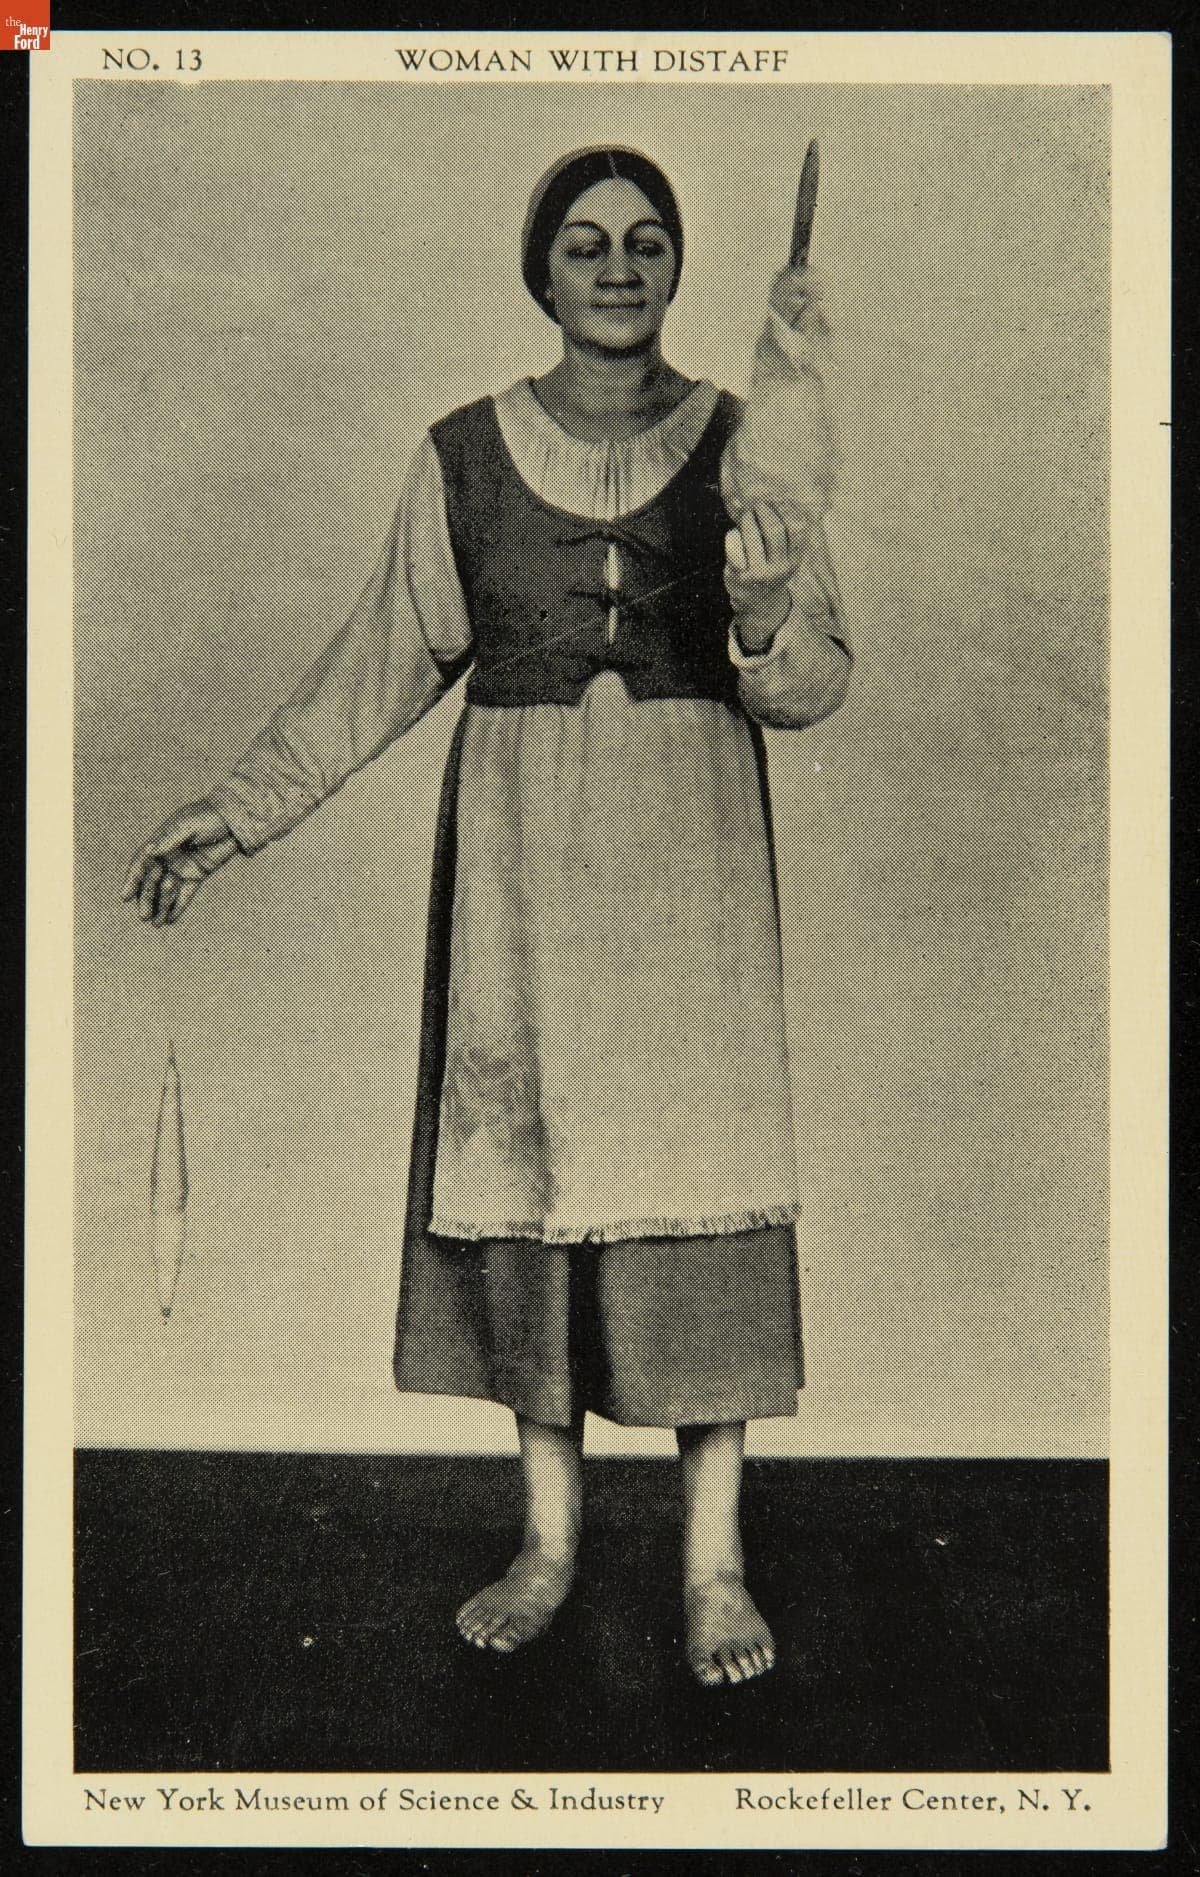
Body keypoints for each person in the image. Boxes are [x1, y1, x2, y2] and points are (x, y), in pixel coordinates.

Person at [123, 146, 852, 1688]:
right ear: (540, 270)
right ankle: (550, 1537)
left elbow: (815, 681)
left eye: (648, 241)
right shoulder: (461, 453)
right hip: (522, 862)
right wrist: (237, 811)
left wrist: (771, 613)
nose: (618, 265)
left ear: (677, 265)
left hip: (689, 862)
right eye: (584, 243)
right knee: (532, 1169)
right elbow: (375, 663)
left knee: (697, 1166)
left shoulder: (749, 441)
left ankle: (715, 1562)